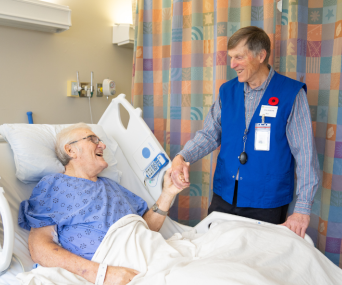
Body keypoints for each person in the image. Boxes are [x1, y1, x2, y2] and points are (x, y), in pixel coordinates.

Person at [170, 26, 320, 238]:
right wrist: (181, 157)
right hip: (224, 195)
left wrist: (302, 209)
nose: (232, 65)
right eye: (231, 58)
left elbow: (306, 155)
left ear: (261, 55)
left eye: (239, 57)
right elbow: (209, 134)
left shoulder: (290, 94)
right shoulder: (228, 91)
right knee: (213, 255)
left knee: (255, 264)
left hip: (267, 201)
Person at [18, 123, 184, 285]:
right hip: (113, 264)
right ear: (70, 150)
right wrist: (102, 274)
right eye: (93, 140)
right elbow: (39, 248)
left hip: (153, 254)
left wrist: (167, 194)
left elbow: (144, 230)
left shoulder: (112, 185)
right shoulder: (53, 186)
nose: (103, 146)